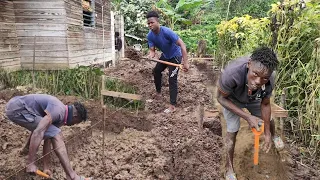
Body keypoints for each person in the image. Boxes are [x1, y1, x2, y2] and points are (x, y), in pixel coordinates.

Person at [216, 47, 284, 180]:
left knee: (268, 119)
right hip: (232, 99)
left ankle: (274, 136)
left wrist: (267, 132)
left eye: (264, 78)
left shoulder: (270, 77)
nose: (258, 81)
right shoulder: (232, 73)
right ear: (249, 65)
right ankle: (229, 169)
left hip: (254, 99)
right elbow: (220, 98)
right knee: (232, 130)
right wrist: (247, 117)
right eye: (255, 74)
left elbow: (265, 104)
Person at [5, 94, 92, 180]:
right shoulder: (58, 110)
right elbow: (38, 131)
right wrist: (30, 163)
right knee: (56, 134)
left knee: (52, 131)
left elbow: (48, 138)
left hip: (18, 106)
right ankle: (72, 176)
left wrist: (46, 167)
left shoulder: (61, 116)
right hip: (17, 109)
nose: (74, 124)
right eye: (76, 122)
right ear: (75, 116)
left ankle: (26, 150)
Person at [146, 10, 189, 113]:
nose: (150, 25)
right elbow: (152, 50)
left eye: (152, 22)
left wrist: (185, 62)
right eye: (148, 23)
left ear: (157, 22)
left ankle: (173, 105)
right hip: (165, 56)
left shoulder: (167, 32)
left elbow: (182, 45)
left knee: (172, 79)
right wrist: (151, 55)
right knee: (156, 71)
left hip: (175, 56)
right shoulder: (150, 36)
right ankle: (158, 93)